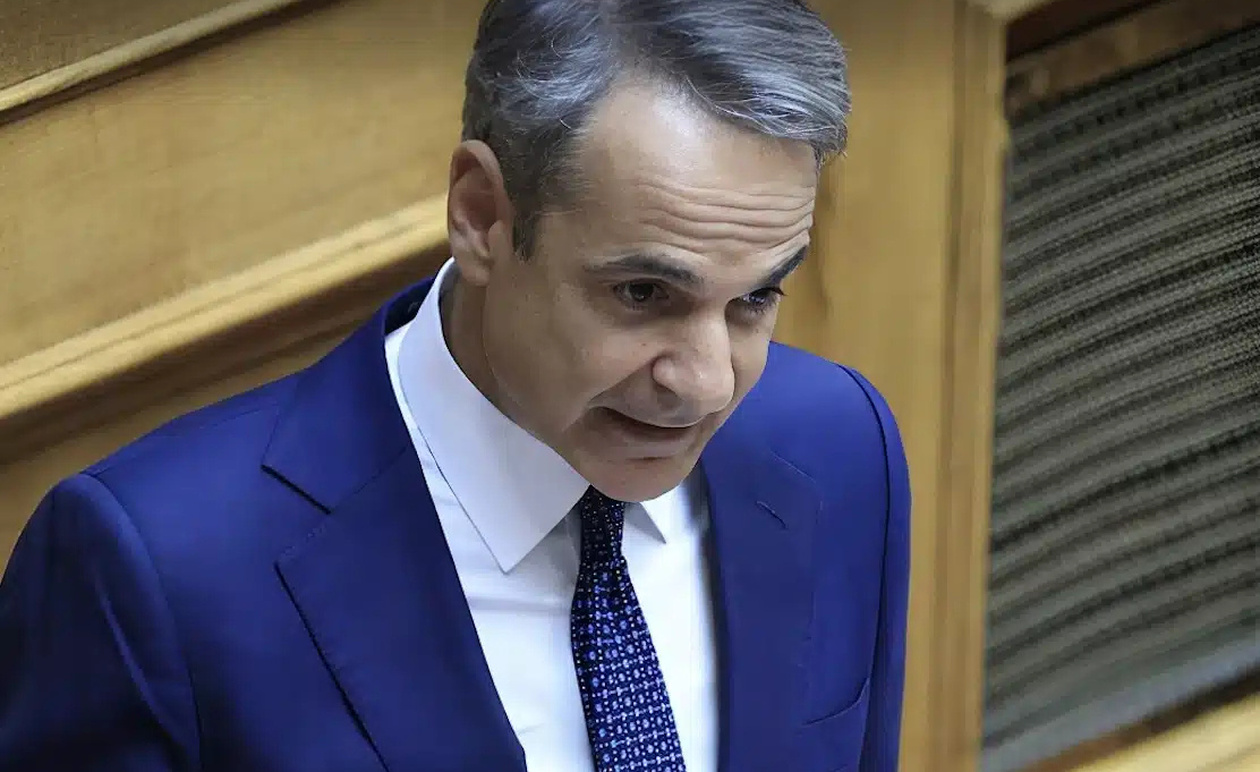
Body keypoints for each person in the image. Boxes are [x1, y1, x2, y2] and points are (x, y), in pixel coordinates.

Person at [0, 0, 910, 770]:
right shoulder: (157, 573)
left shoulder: (838, 446)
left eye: (756, 299)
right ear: (480, 216)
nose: (706, 384)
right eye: (643, 294)